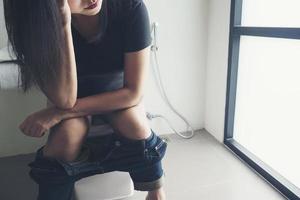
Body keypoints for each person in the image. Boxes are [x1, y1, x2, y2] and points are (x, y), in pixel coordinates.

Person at [3, 0, 168, 199]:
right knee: (66, 136)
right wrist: (63, 24)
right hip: (71, 95)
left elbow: (132, 93)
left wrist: (57, 113)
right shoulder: (38, 24)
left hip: (117, 96)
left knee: (134, 123)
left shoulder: (129, 7)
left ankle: (156, 189)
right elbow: (65, 99)